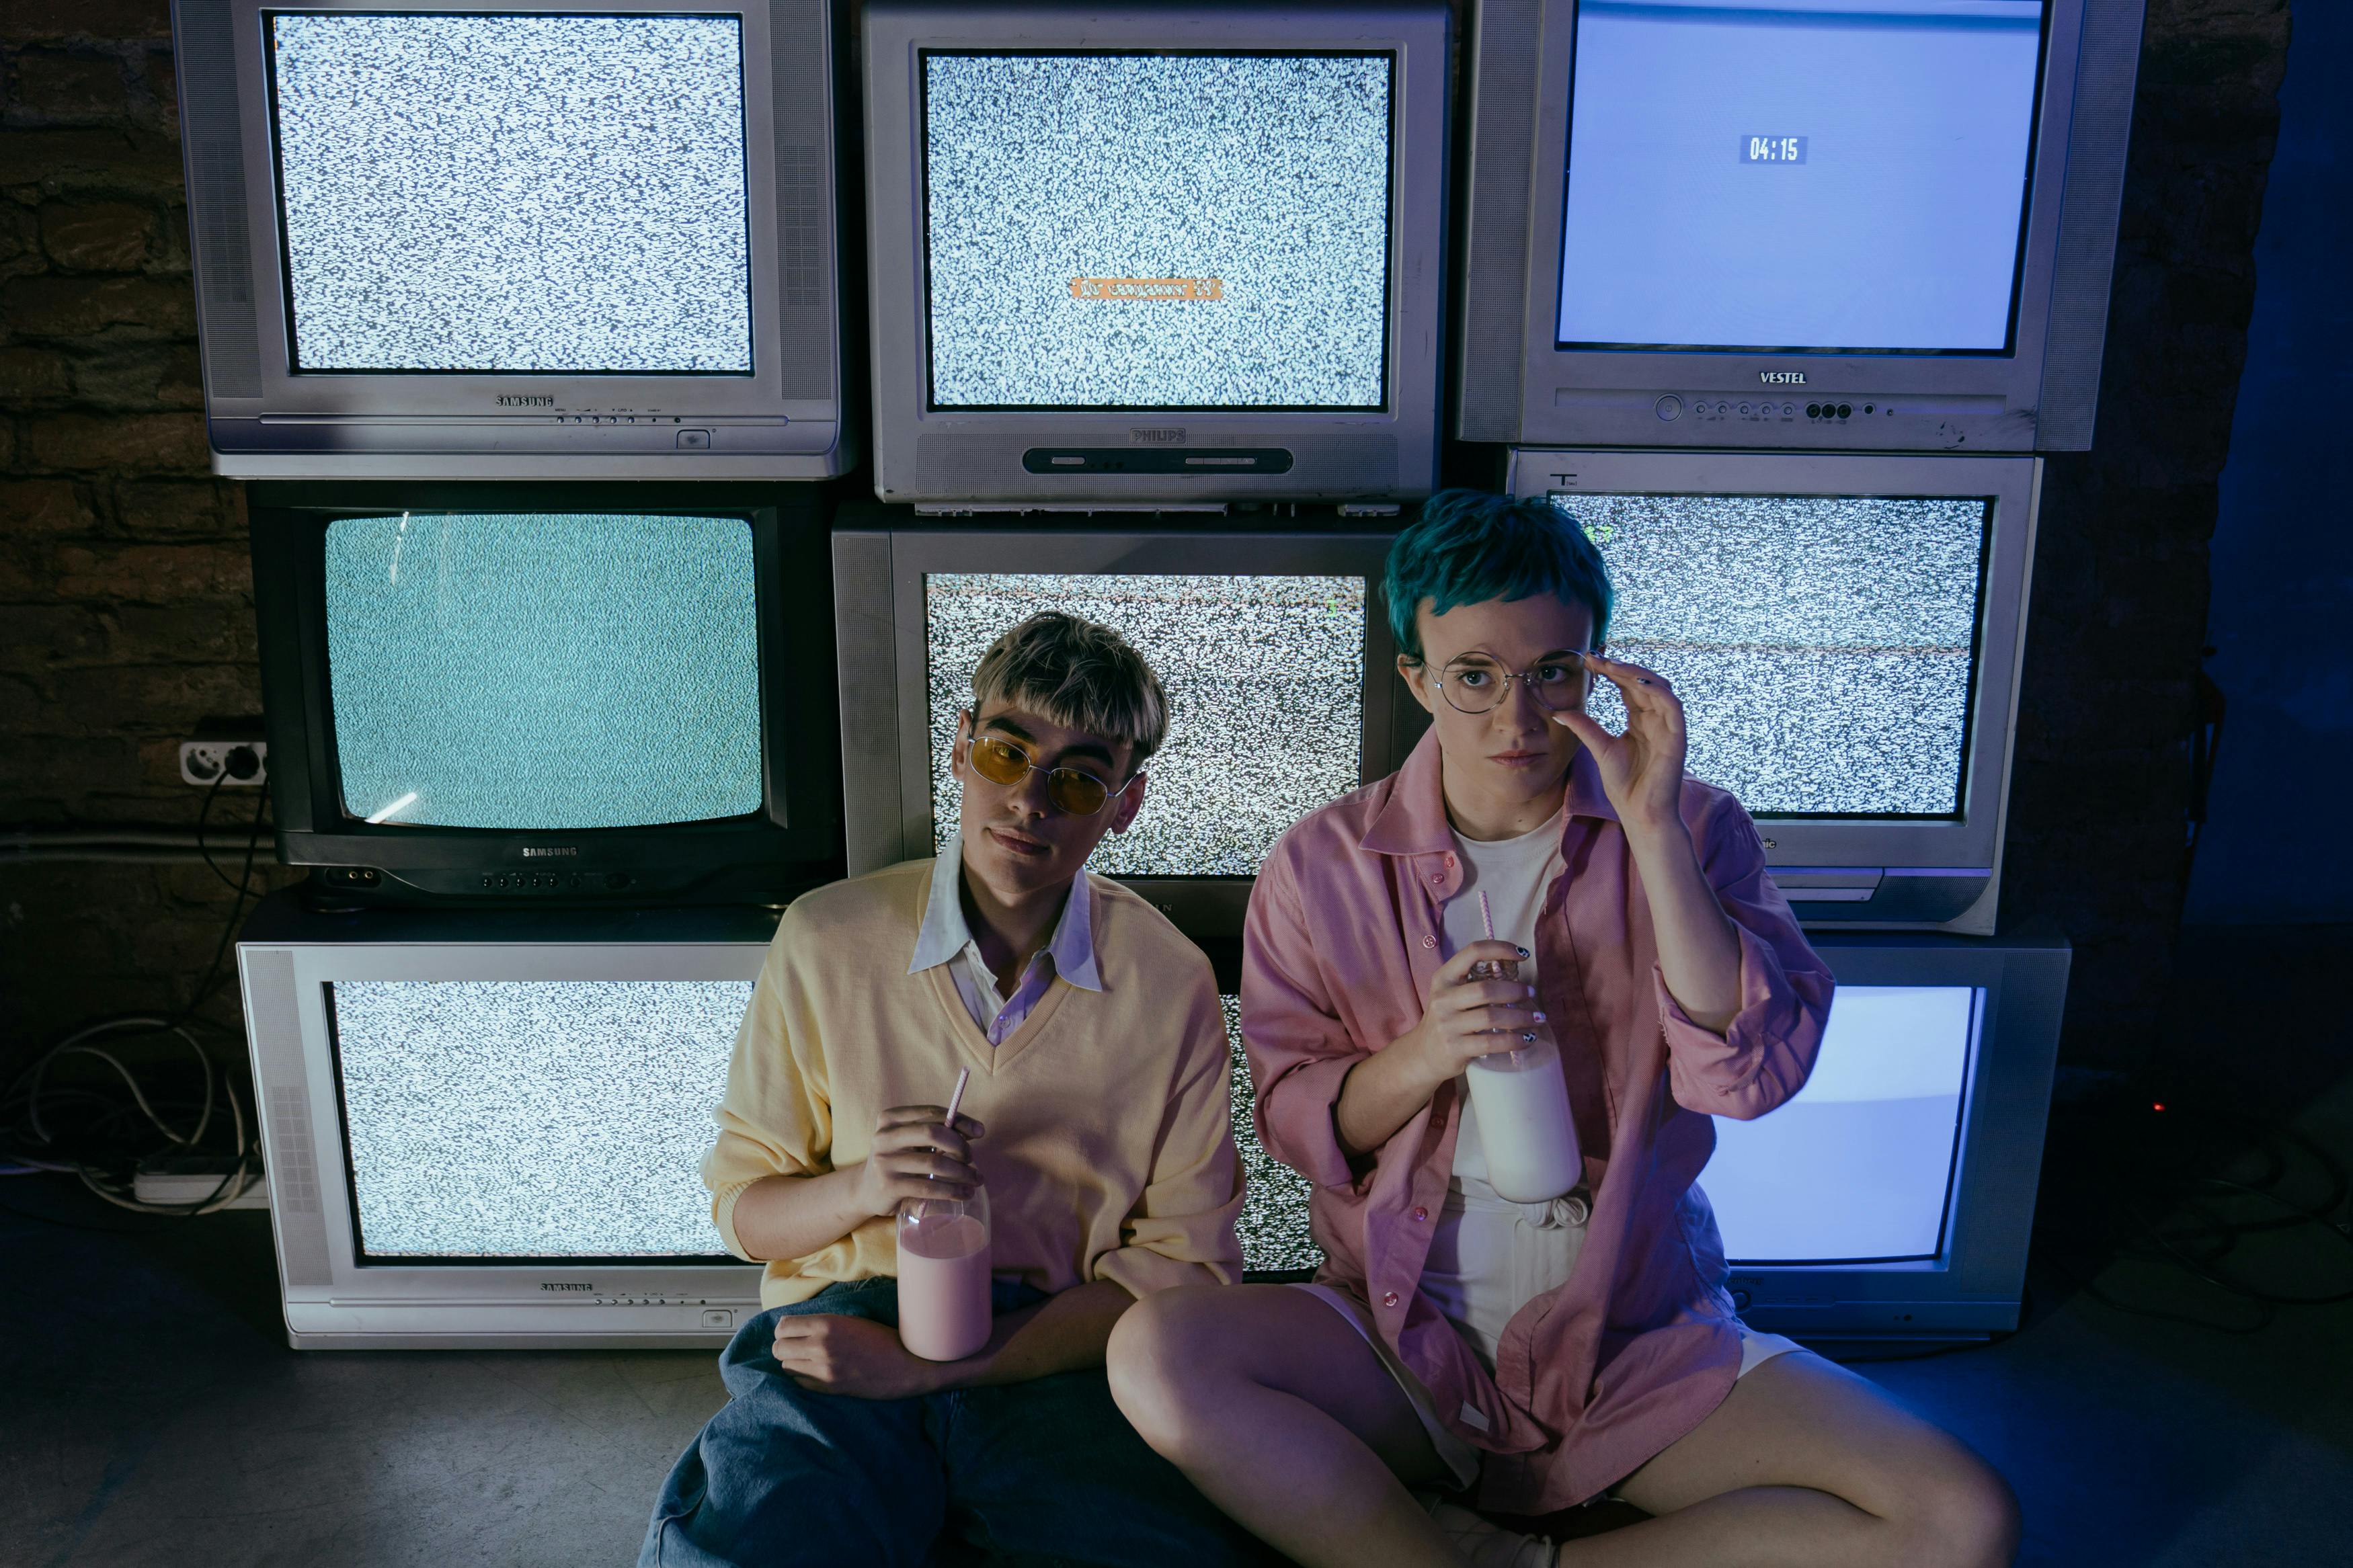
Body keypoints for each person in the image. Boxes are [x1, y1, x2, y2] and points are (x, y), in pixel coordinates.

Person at [1106, 491, 2021, 1567]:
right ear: (1418, 679)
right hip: (1407, 1342)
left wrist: (1653, 833)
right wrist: (1425, 1052)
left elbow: (1748, 1081)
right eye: (1476, 675)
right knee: (1158, 1352)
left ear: (1597, 670)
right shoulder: (1322, 863)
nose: (1518, 716)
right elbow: (1299, 1128)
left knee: (1961, 1519)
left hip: (1637, 1342)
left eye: (1556, 672)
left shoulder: (1695, 824)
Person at [640, 612, 1272, 1568]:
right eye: (1008, 752)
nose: (1030, 801)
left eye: (1078, 776)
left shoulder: (1171, 978)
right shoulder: (825, 938)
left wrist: (943, 1366)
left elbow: (1179, 1275)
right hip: (846, 1328)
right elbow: (745, 1213)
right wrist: (863, 1185)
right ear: (960, 750)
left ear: (1124, 804)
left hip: (1055, 1353)